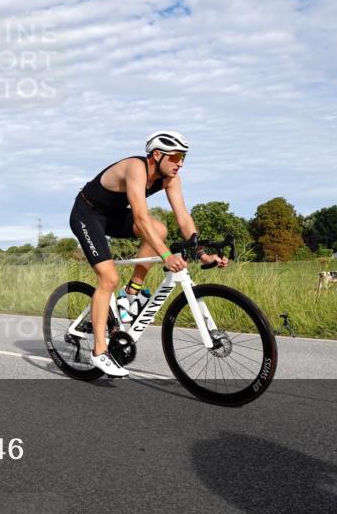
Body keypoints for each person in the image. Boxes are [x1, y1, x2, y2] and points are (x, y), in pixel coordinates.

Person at [69, 131, 228, 377]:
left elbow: (183, 217)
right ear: (156, 155)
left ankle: (131, 293)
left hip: (113, 217)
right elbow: (141, 218)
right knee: (109, 278)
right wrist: (167, 256)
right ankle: (99, 352)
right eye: (175, 157)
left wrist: (202, 254)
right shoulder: (136, 168)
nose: (180, 163)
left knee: (160, 229)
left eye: (183, 157)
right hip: (87, 215)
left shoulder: (171, 179)